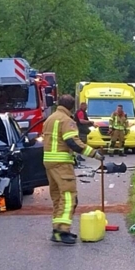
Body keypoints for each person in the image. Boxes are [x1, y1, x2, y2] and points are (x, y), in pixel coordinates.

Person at [43, 95, 103, 244]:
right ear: (72, 106)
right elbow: (73, 143)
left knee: (58, 197)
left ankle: (56, 229)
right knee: (69, 196)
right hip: (62, 163)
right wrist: (95, 154)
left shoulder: (50, 119)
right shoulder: (66, 120)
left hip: (49, 162)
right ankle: (63, 231)